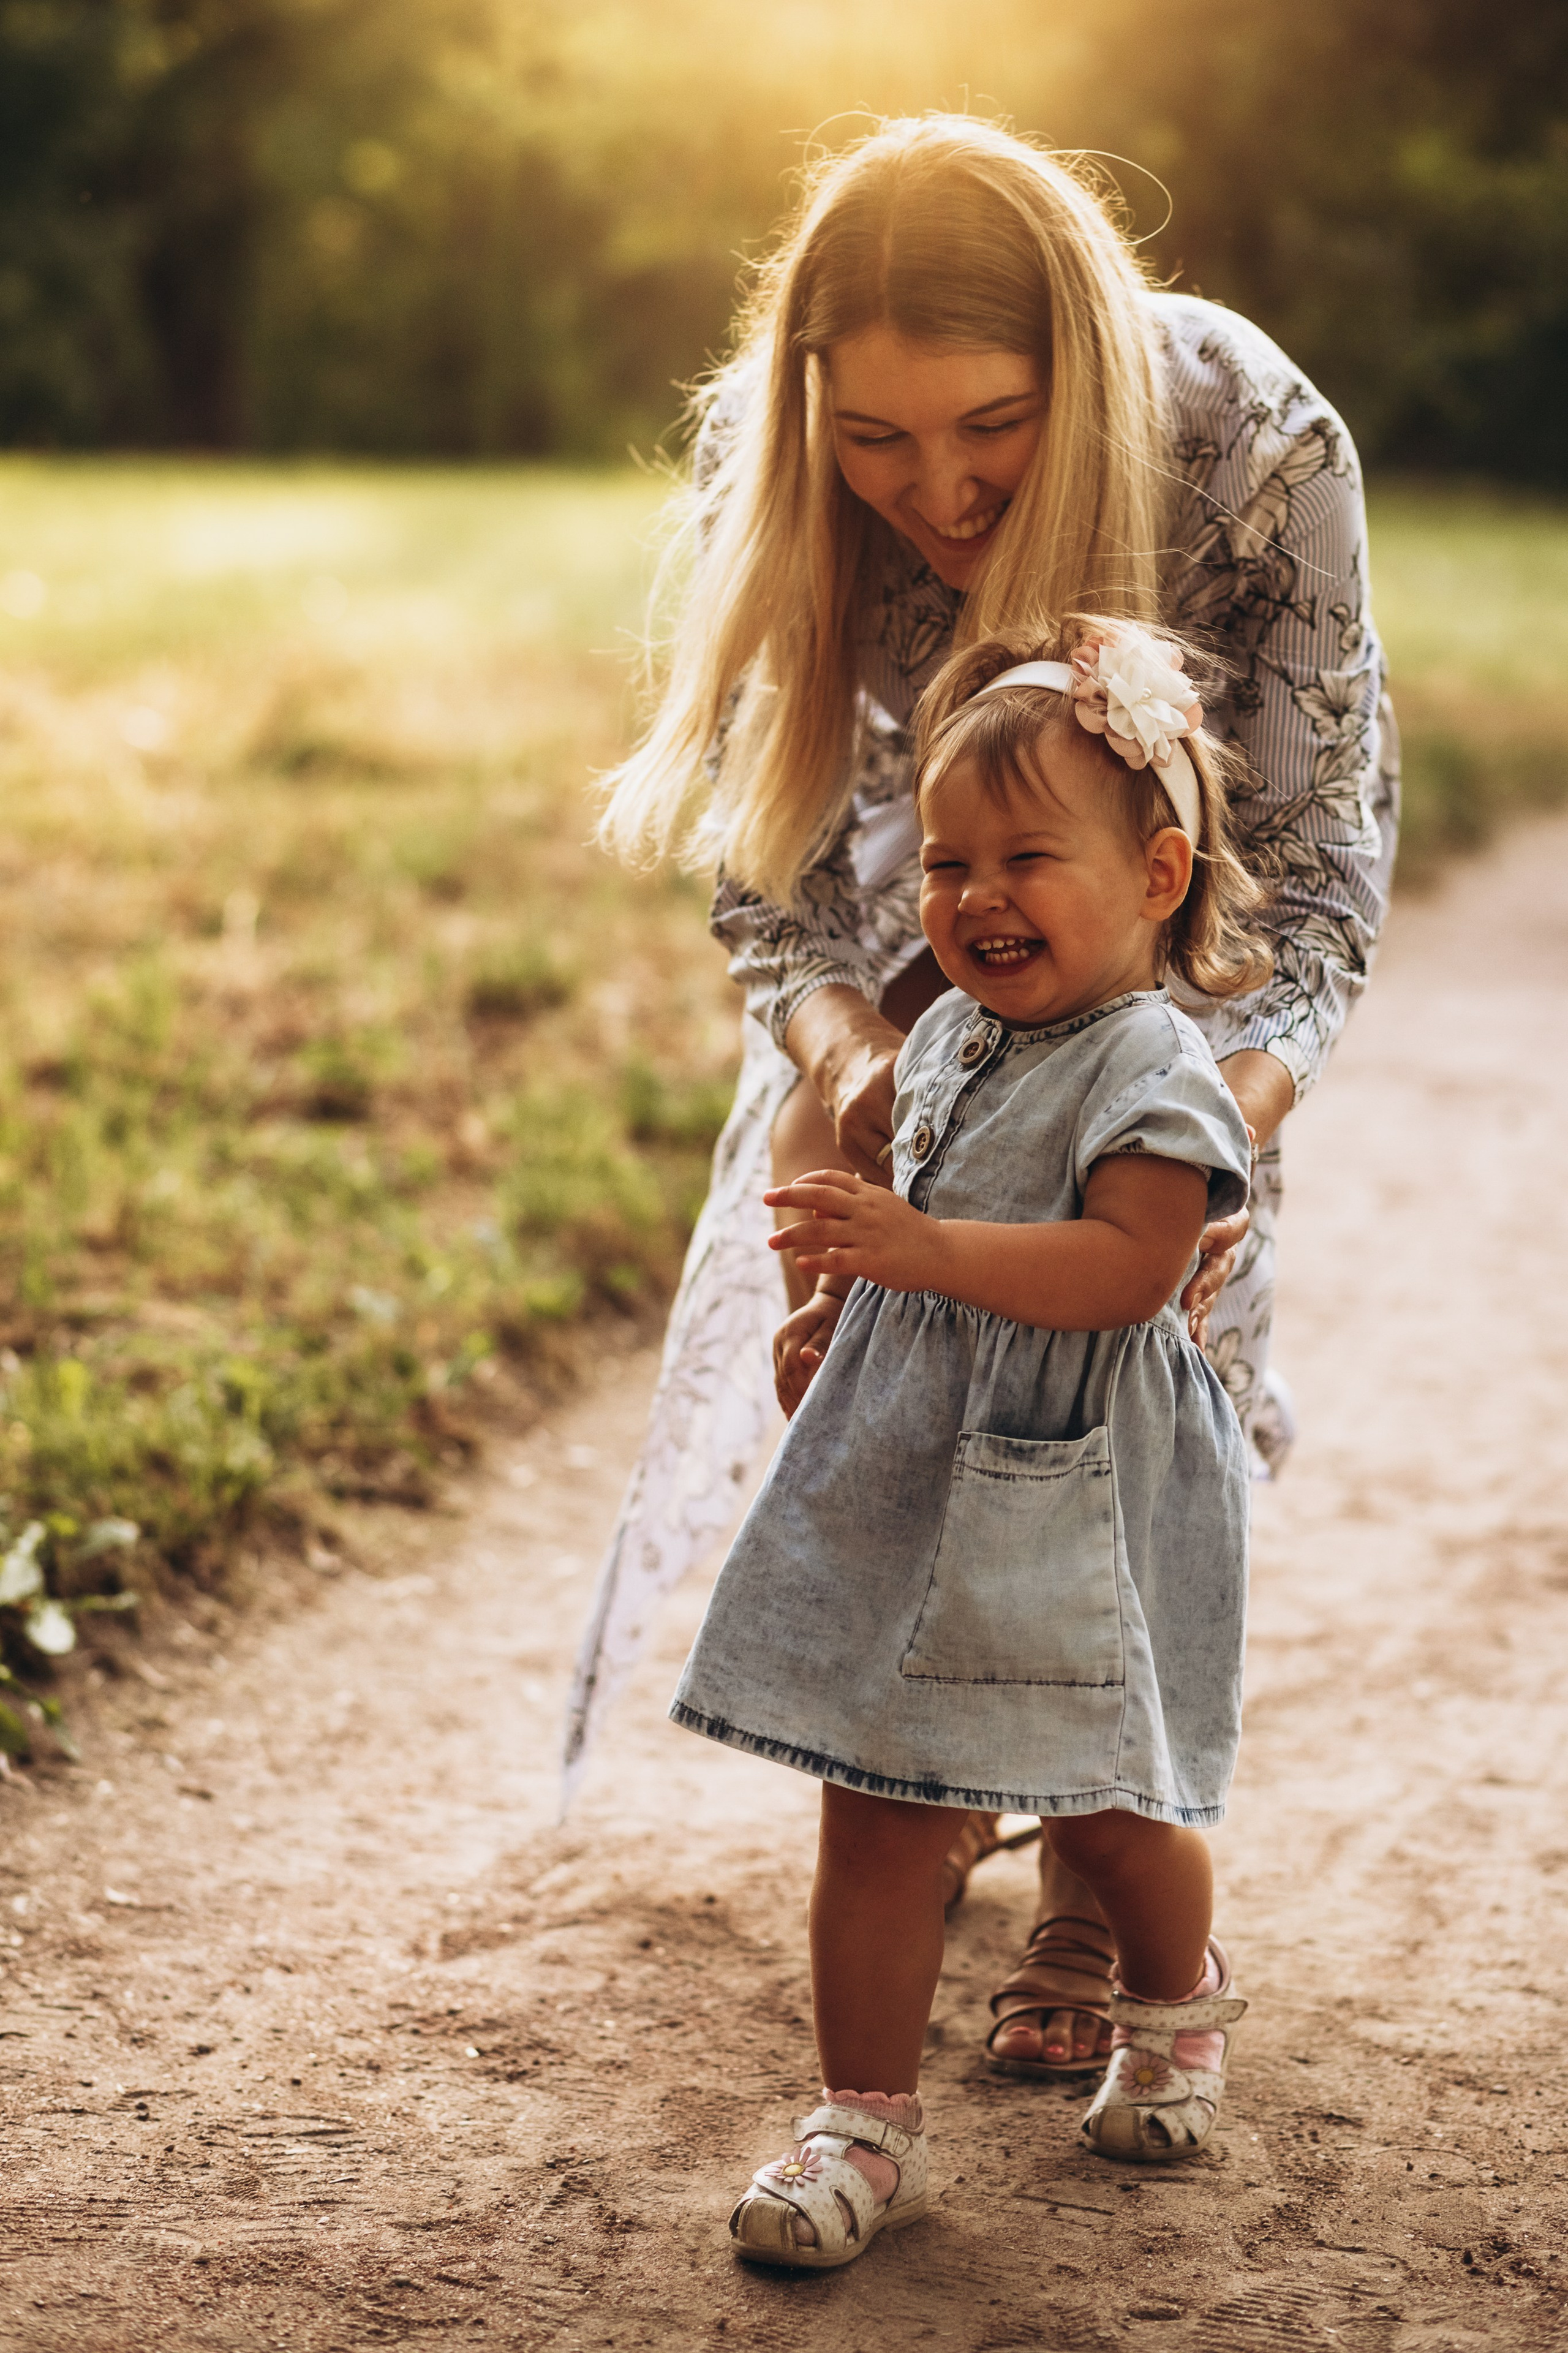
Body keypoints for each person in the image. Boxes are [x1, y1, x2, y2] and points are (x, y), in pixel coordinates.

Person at [565, 112, 1398, 2080]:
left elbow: (1320, 890)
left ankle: (1108, 1888)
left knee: (1131, 1404)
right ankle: (928, 1765)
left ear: (1083, 381)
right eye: (876, 442)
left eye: (989, 429)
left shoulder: (1258, 453)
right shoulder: (798, 481)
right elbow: (777, 882)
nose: (929, 489)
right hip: (919, 952)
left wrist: (1192, 1149)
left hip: (1168, 997)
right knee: (884, 1396)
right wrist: (851, 1070)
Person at [673, 621, 1262, 2266]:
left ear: (1156, 873)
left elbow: (1134, 1267)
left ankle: (1176, 1991)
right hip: (925, 1463)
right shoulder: (941, 1039)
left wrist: (924, 1259)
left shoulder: (1154, 1065)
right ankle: (864, 2118)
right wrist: (845, 1318)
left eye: (1025, 857)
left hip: (1072, 1481)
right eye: (945, 860)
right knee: (871, 1793)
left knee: (1106, 1800)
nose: (975, 894)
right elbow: (926, 1224)